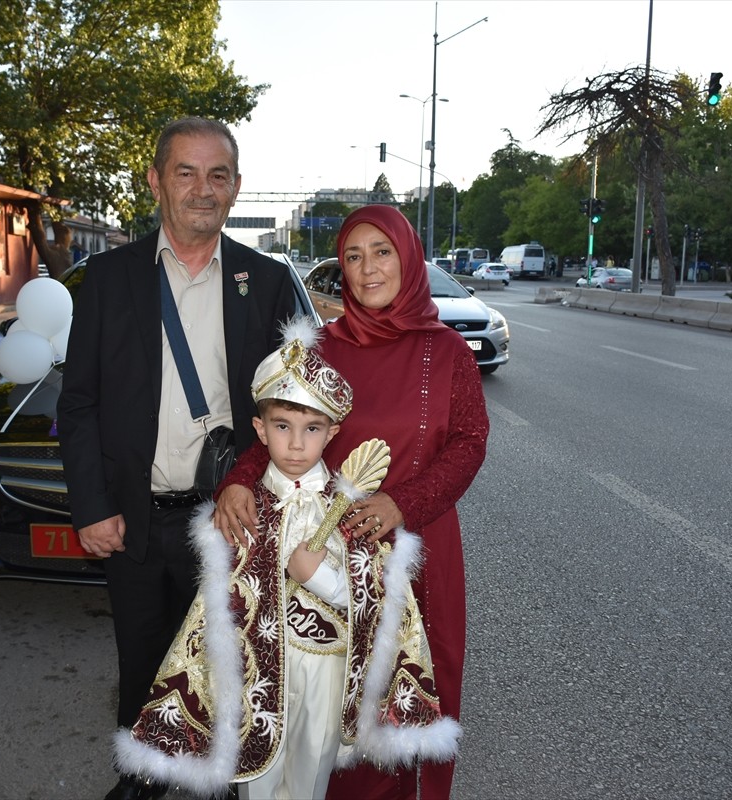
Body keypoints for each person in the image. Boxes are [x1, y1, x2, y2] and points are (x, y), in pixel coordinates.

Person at [114, 317, 459, 799]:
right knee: (258, 781)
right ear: (260, 428)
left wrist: (318, 577)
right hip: (258, 678)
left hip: (325, 674)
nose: (296, 444)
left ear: (333, 431)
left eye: (311, 428)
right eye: (282, 426)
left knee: (310, 781)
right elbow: (216, 609)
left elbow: (374, 601)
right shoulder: (244, 509)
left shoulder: (348, 509)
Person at [56, 116, 300, 800]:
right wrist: (92, 507)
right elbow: (77, 405)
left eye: (217, 175)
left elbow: (288, 409)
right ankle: (141, 775)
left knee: (225, 662)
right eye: (185, 173)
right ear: (156, 181)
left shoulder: (267, 280)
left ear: (237, 186)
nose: (202, 189)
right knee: (141, 662)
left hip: (228, 517)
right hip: (132, 517)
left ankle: (218, 779)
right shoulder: (107, 279)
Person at [214, 205, 490, 800]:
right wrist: (238, 479)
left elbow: (469, 445)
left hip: (422, 546)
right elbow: (280, 428)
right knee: (339, 691)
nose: (367, 270)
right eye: (353, 258)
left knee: (417, 692)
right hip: (333, 547)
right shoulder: (318, 349)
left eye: (381, 252)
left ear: (409, 258)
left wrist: (404, 503)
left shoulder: (447, 352)